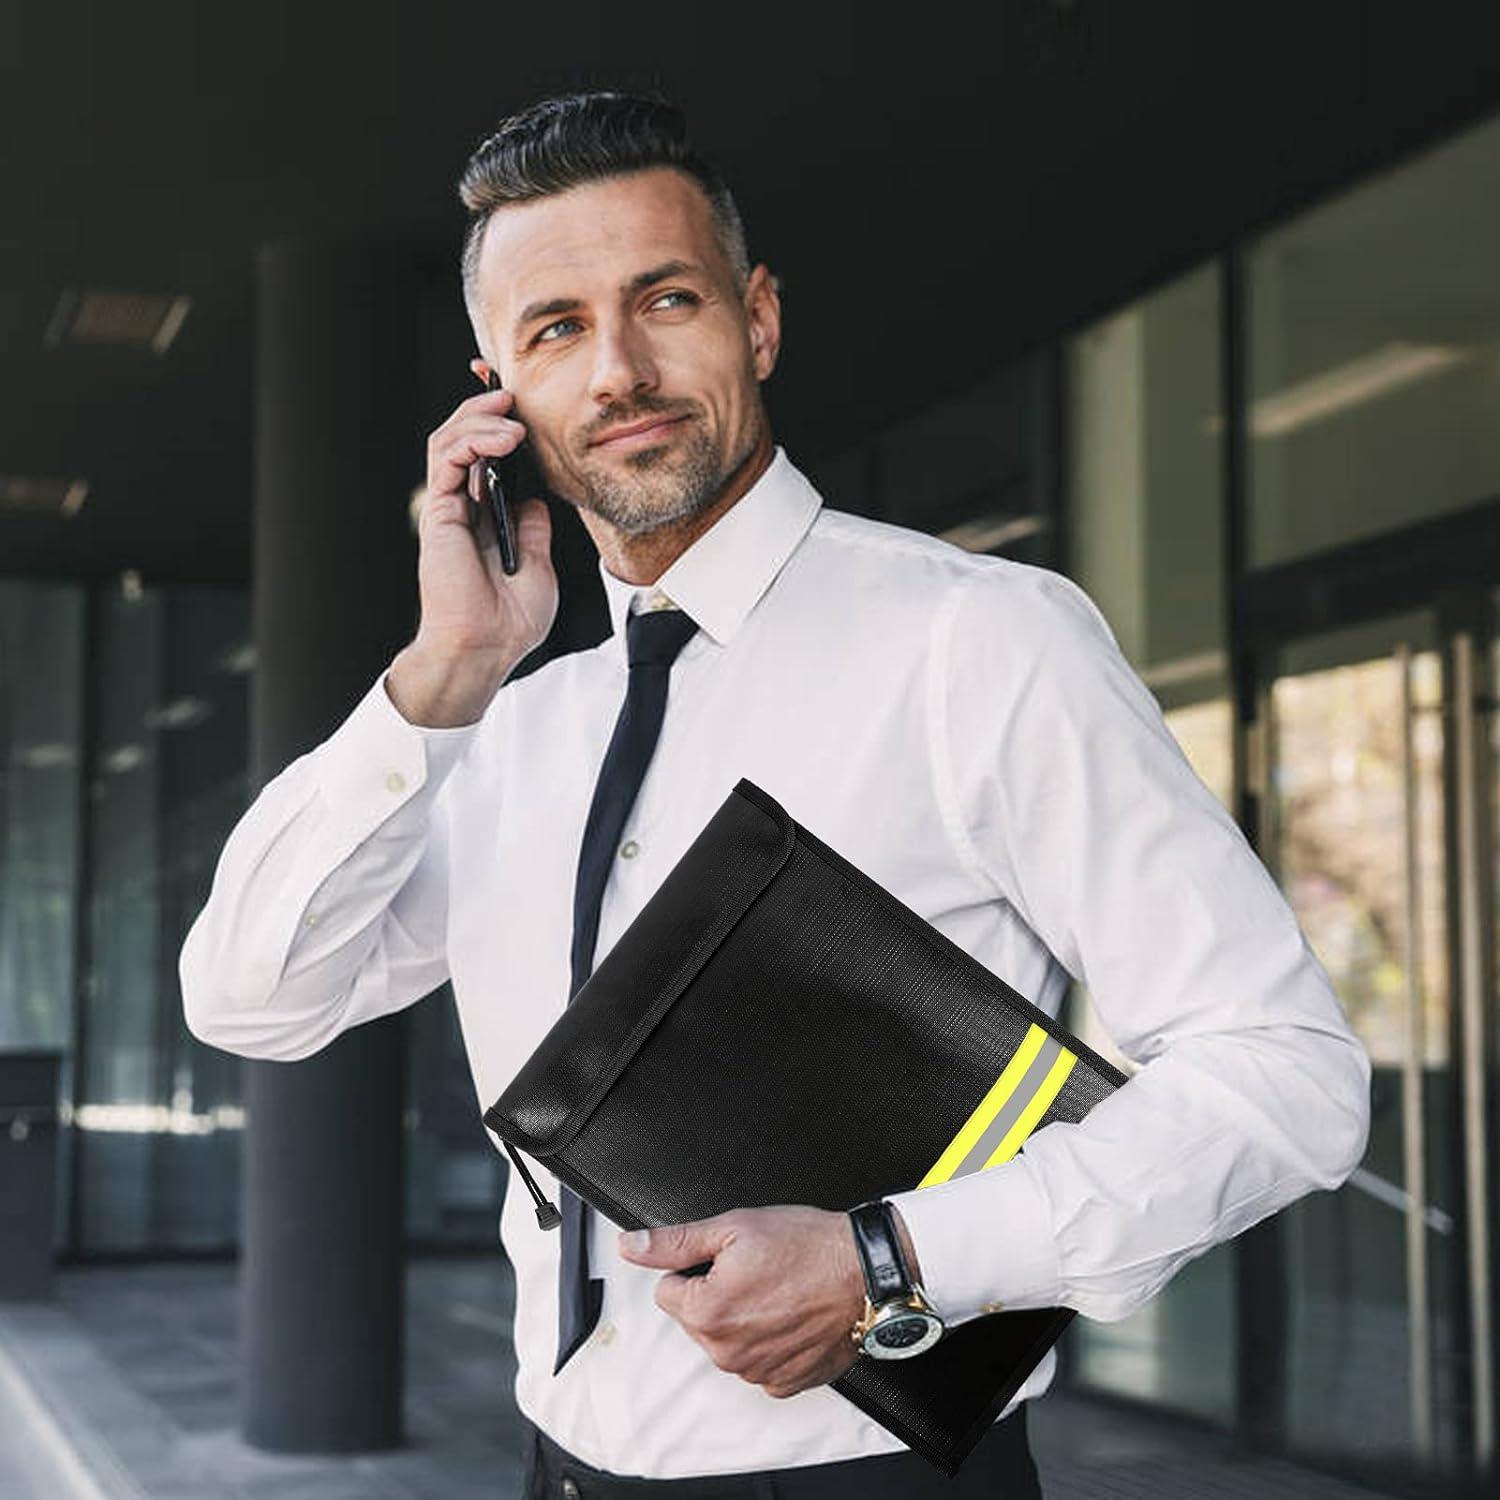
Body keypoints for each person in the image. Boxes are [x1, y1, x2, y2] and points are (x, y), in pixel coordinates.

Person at [180, 91, 1372, 1498]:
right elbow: (253, 996)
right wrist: (442, 674)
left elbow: (1290, 1076)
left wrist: (889, 1259)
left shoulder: (978, 639)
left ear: (758, 320)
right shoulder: (506, 728)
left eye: (664, 299)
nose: (617, 368)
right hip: (558, 1466)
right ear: (498, 390)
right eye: (556, 328)